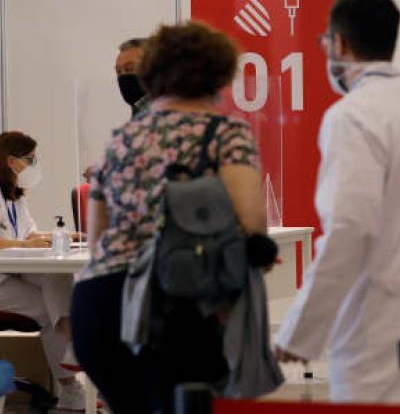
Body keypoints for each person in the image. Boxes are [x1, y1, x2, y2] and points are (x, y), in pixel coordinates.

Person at [274, 0, 400, 402]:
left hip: (384, 317)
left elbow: (349, 228)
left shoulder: (351, 115)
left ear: (340, 43)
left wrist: (300, 330)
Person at [72, 22, 267, 414]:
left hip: (102, 305)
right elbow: (252, 223)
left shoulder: (121, 139)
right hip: (180, 306)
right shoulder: (224, 133)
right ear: (218, 73)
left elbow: (96, 240)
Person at [0, 130, 85, 410]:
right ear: (12, 161)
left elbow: (30, 233)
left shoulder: (15, 196)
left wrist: (58, 236)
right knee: (49, 310)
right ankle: (71, 384)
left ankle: (72, 346)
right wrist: (24, 242)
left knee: (57, 275)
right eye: (31, 159)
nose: (35, 165)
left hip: (13, 272)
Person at [116, 36, 149, 116]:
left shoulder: (165, 113)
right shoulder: (138, 111)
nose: (123, 76)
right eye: (118, 71)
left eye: (130, 69)